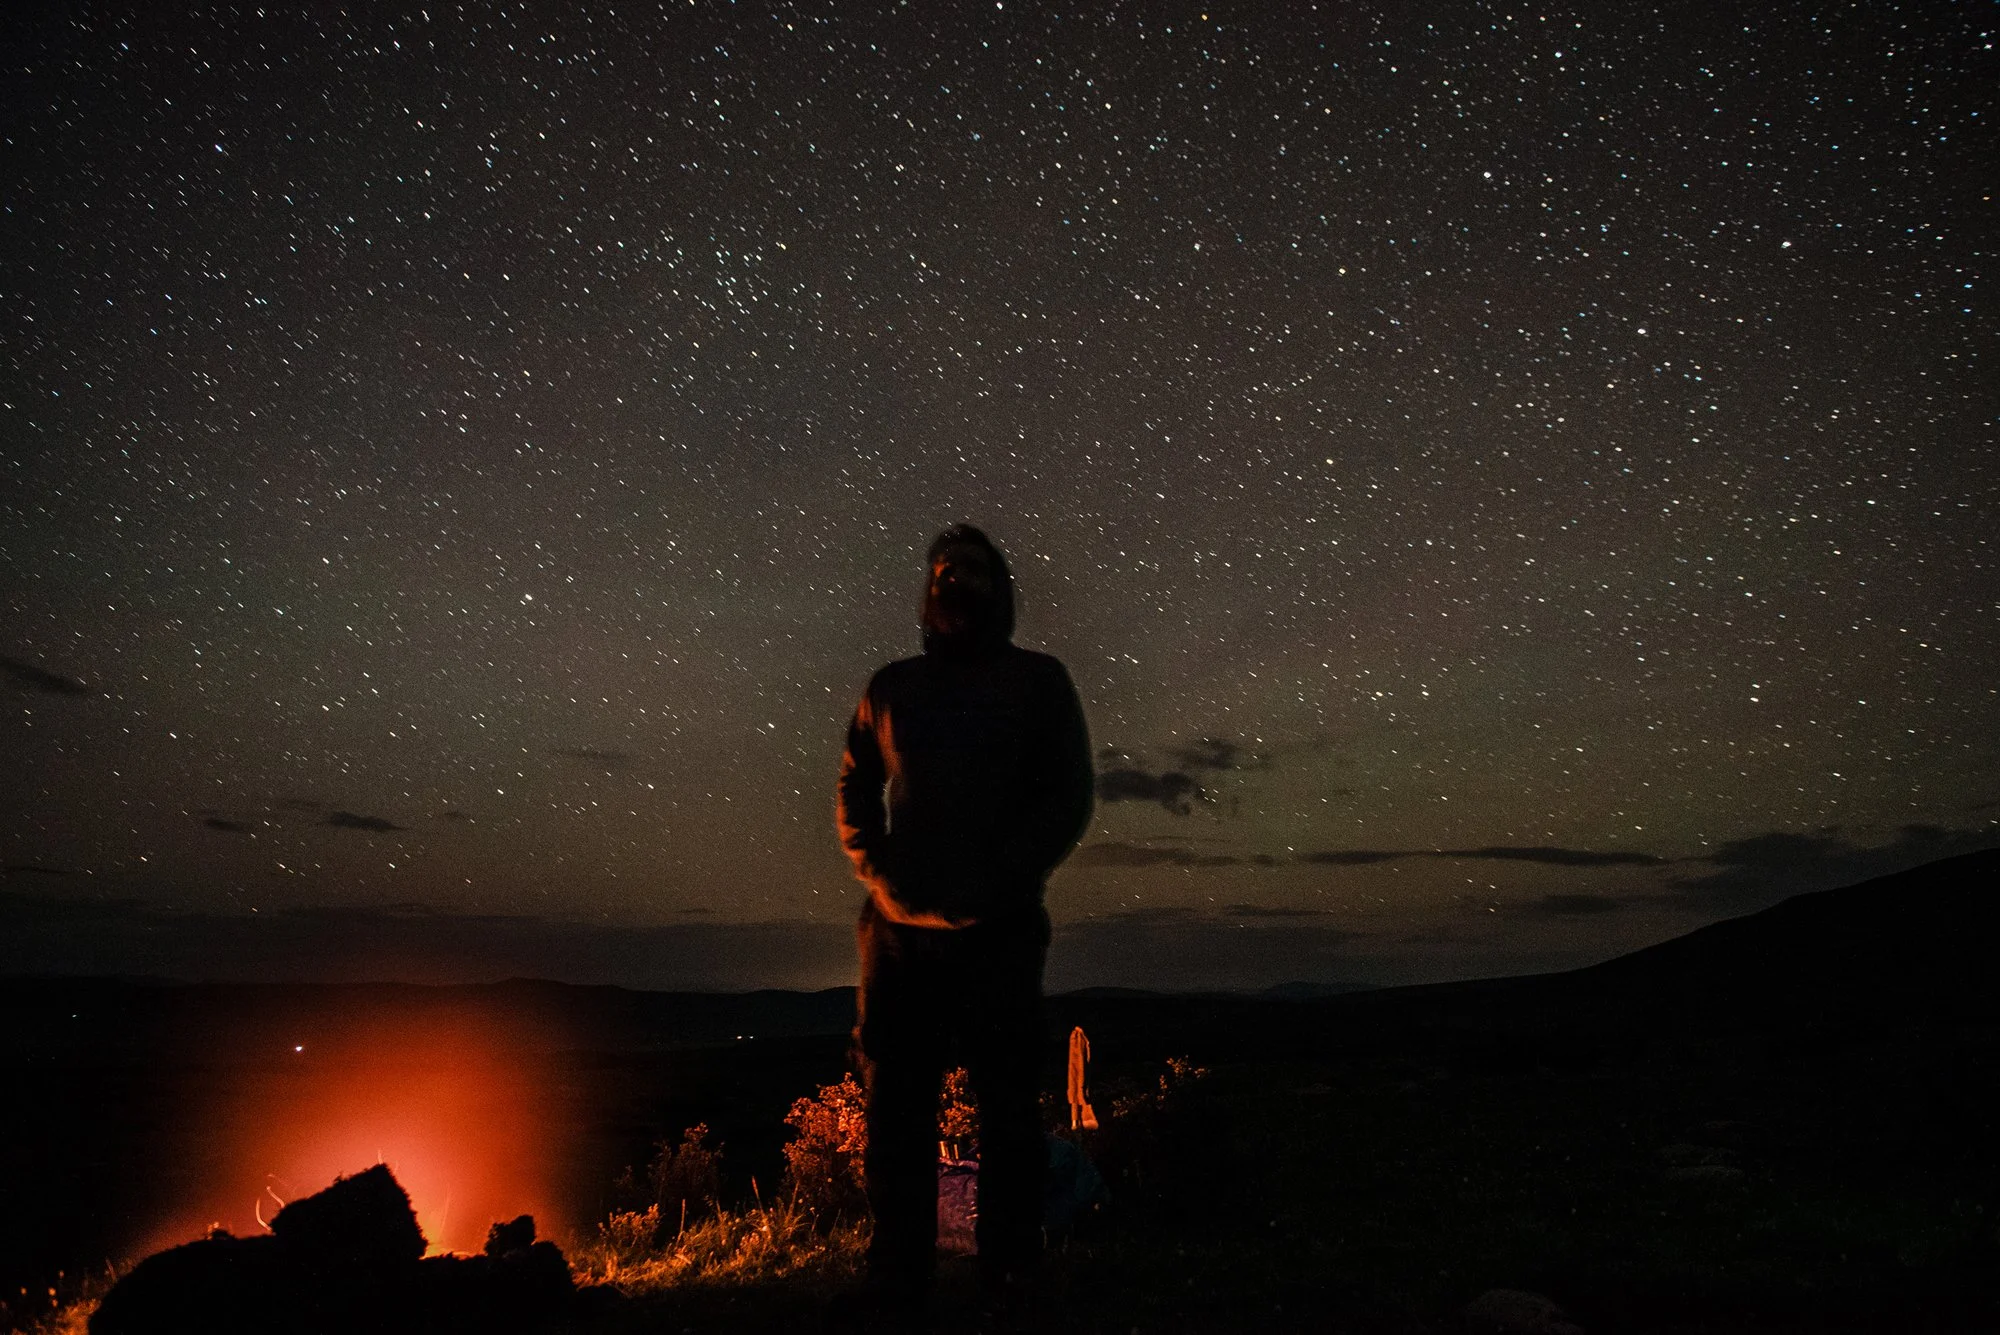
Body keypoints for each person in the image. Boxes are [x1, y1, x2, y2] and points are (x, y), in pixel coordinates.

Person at [833, 523, 1094, 1317]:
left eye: (973, 569)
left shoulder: (1039, 683)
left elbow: (1066, 796)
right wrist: (879, 873)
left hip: (1000, 931)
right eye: (944, 569)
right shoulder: (891, 687)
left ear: (999, 588)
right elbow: (853, 786)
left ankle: (1010, 1263)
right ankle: (897, 1264)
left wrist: (1004, 881)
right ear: (927, 591)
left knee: (1007, 1102)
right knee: (896, 1104)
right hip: (899, 936)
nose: (955, 579)